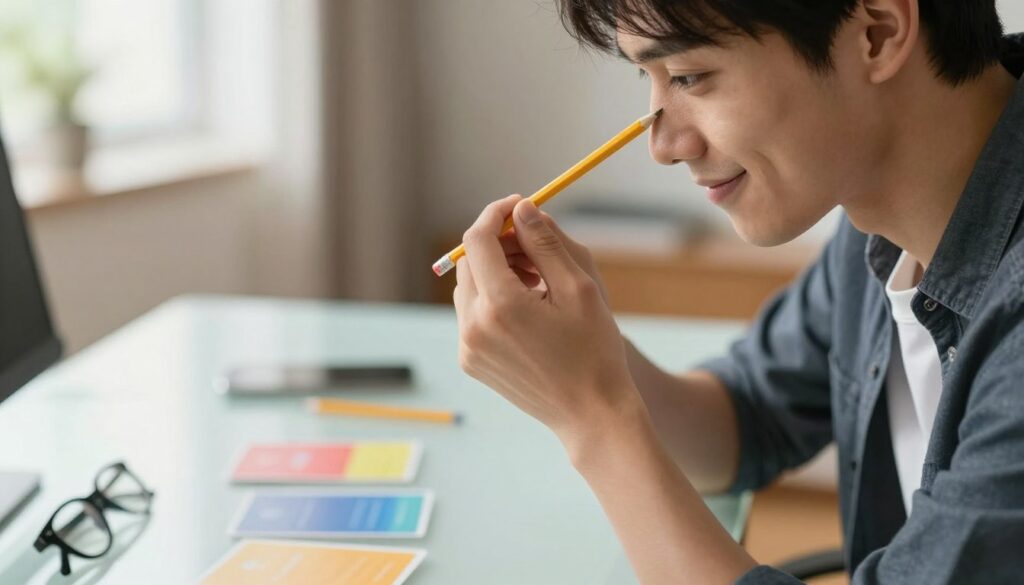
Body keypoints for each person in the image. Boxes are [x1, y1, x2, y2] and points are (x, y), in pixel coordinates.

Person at [452, 0, 1024, 582]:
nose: (665, 145)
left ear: (878, 33)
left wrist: (593, 420)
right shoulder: (881, 210)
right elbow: (747, 417)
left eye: (689, 76)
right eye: (650, 79)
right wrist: (588, 355)